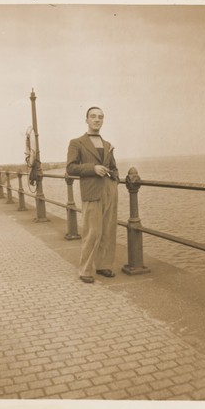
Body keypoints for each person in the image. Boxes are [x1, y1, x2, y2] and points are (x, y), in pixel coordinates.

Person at [66, 107, 119, 283]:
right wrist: (93, 168)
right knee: (92, 231)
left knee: (108, 230)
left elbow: (114, 167)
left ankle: (104, 265)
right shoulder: (77, 142)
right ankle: (86, 270)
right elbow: (71, 167)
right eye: (93, 117)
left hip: (109, 191)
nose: (97, 120)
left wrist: (114, 179)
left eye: (100, 117)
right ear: (87, 119)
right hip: (91, 191)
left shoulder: (108, 145)